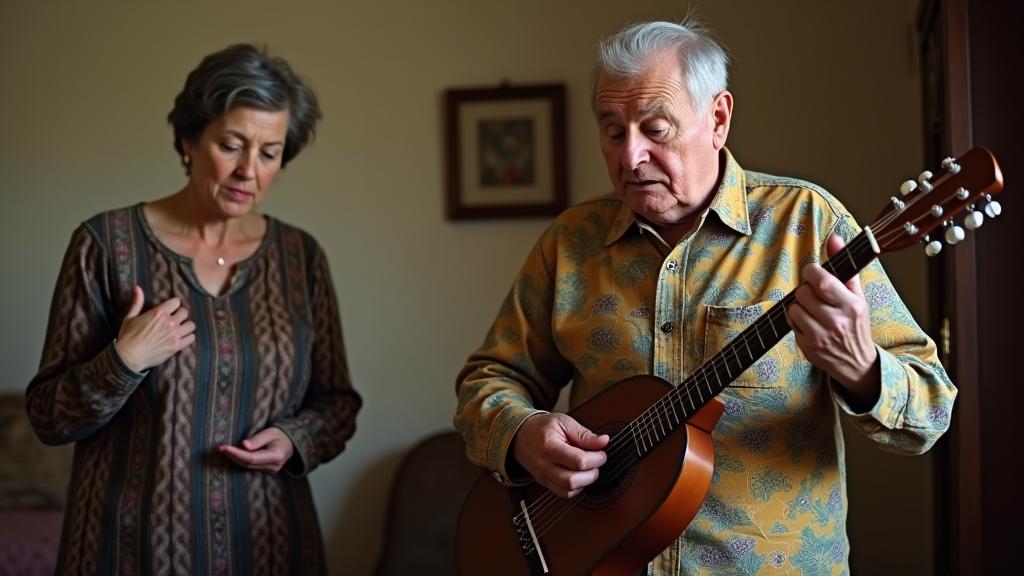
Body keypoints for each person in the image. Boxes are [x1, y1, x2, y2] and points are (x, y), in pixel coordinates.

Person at [454, 18, 955, 575]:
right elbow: (488, 380)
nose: (630, 156)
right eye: (613, 132)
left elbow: (931, 410)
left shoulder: (809, 225)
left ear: (718, 119)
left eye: (655, 129)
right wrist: (521, 433)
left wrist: (862, 369)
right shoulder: (570, 243)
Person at [25, 44, 362, 575]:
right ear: (189, 141)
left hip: (270, 546)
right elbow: (48, 416)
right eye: (231, 145)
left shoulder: (302, 258)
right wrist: (124, 360)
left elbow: (337, 403)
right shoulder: (105, 245)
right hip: (129, 549)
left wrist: (296, 441)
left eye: (270, 153)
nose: (248, 171)